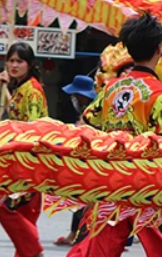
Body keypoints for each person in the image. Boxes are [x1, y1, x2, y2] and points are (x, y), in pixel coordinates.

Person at [69, 13, 162, 257]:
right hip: (144, 184)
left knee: (98, 247)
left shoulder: (111, 88)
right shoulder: (160, 94)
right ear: (158, 49)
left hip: (110, 180)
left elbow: (87, 120)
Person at [0, 42, 48, 257]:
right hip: (20, 160)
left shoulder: (32, 90)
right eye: (11, 60)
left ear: (30, 64)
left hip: (29, 162)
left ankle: (34, 252)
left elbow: (32, 129)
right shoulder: (20, 88)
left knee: (10, 208)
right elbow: (14, 112)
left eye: (19, 61)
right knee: (24, 217)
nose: (14, 65)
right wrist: (3, 88)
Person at [53, 76, 96, 247]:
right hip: (80, 161)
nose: (73, 99)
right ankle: (74, 233)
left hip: (91, 161)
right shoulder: (84, 111)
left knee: (86, 199)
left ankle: (84, 234)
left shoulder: (93, 112)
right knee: (78, 198)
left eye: (75, 96)